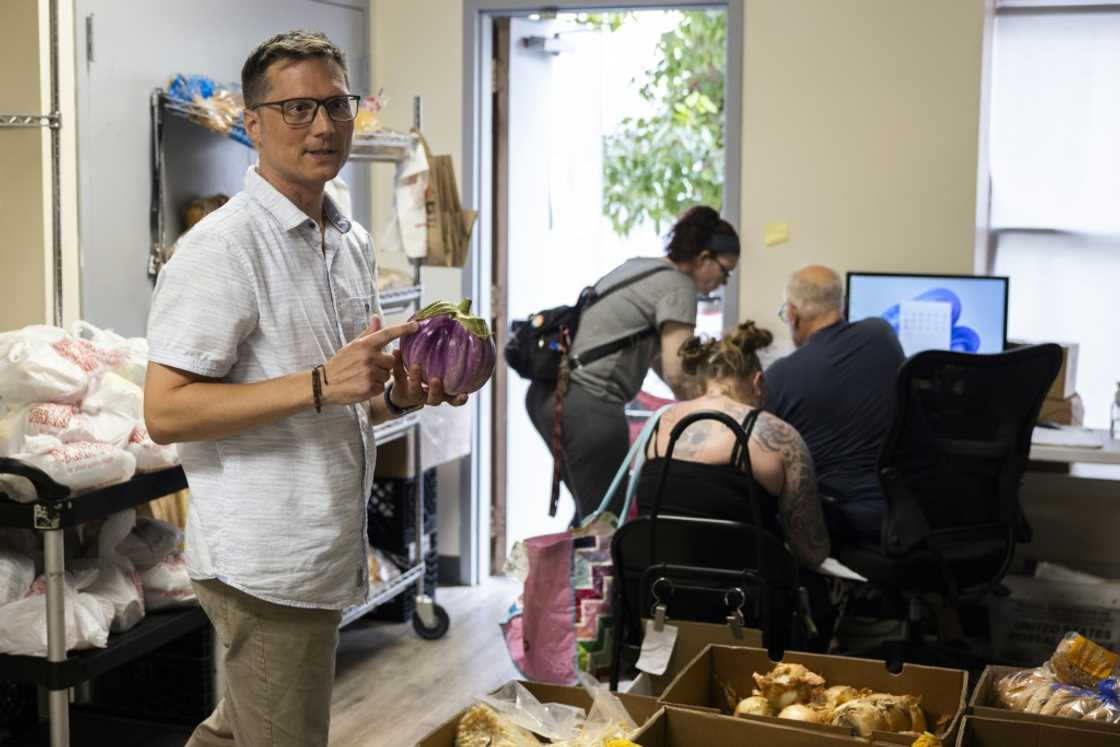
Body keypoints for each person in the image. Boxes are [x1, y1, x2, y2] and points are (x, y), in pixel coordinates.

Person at [143, 31, 467, 747]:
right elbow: (166, 412)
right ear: (252, 124)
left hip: (323, 541)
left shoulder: (345, 240)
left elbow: (348, 397)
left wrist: (401, 396)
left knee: (240, 728)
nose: (322, 125)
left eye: (335, 104)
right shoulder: (221, 250)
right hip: (267, 559)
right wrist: (320, 382)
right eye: (295, 108)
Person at [526, 206, 740, 522]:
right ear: (704, 257)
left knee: (591, 514)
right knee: (607, 520)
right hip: (587, 406)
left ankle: (565, 570)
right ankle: (580, 571)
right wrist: (712, 414)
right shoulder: (679, 287)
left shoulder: (641, 268)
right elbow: (678, 372)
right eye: (725, 271)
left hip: (546, 396)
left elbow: (656, 358)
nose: (723, 283)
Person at [634, 322, 830, 569]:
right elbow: (811, 551)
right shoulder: (780, 436)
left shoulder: (660, 423)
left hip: (657, 591)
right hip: (740, 599)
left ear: (700, 386)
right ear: (758, 382)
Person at [764, 265, 905, 546]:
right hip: (899, 513)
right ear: (842, 303)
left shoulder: (778, 377)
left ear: (792, 313)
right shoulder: (882, 335)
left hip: (834, 521)